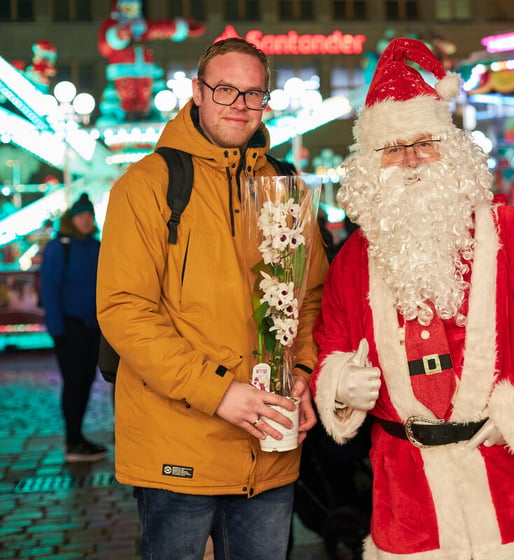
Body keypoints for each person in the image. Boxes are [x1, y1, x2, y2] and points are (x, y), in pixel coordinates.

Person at [311, 38, 514, 559]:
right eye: (393, 148)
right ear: (372, 162)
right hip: (406, 484)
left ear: (451, 148)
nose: (411, 159)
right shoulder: (354, 258)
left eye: (424, 142)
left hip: (501, 465)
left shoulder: (509, 233)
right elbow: (331, 338)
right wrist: (340, 379)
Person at [96, 38, 328, 559]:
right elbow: (125, 311)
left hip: (270, 446)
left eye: (254, 93)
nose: (240, 105)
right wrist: (219, 393)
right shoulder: (149, 185)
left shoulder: (285, 184)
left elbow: (309, 297)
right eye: (225, 89)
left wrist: (304, 370)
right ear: (197, 92)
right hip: (178, 445)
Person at [39, 193, 105, 462]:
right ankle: (72, 440)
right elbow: (49, 289)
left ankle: (78, 438)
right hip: (70, 327)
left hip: (93, 328)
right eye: (81, 215)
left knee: (86, 381)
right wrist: (57, 330)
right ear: (71, 218)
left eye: (89, 215)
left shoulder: (98, 246)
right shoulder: (59, 248)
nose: (86, 220)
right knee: (73, 384)